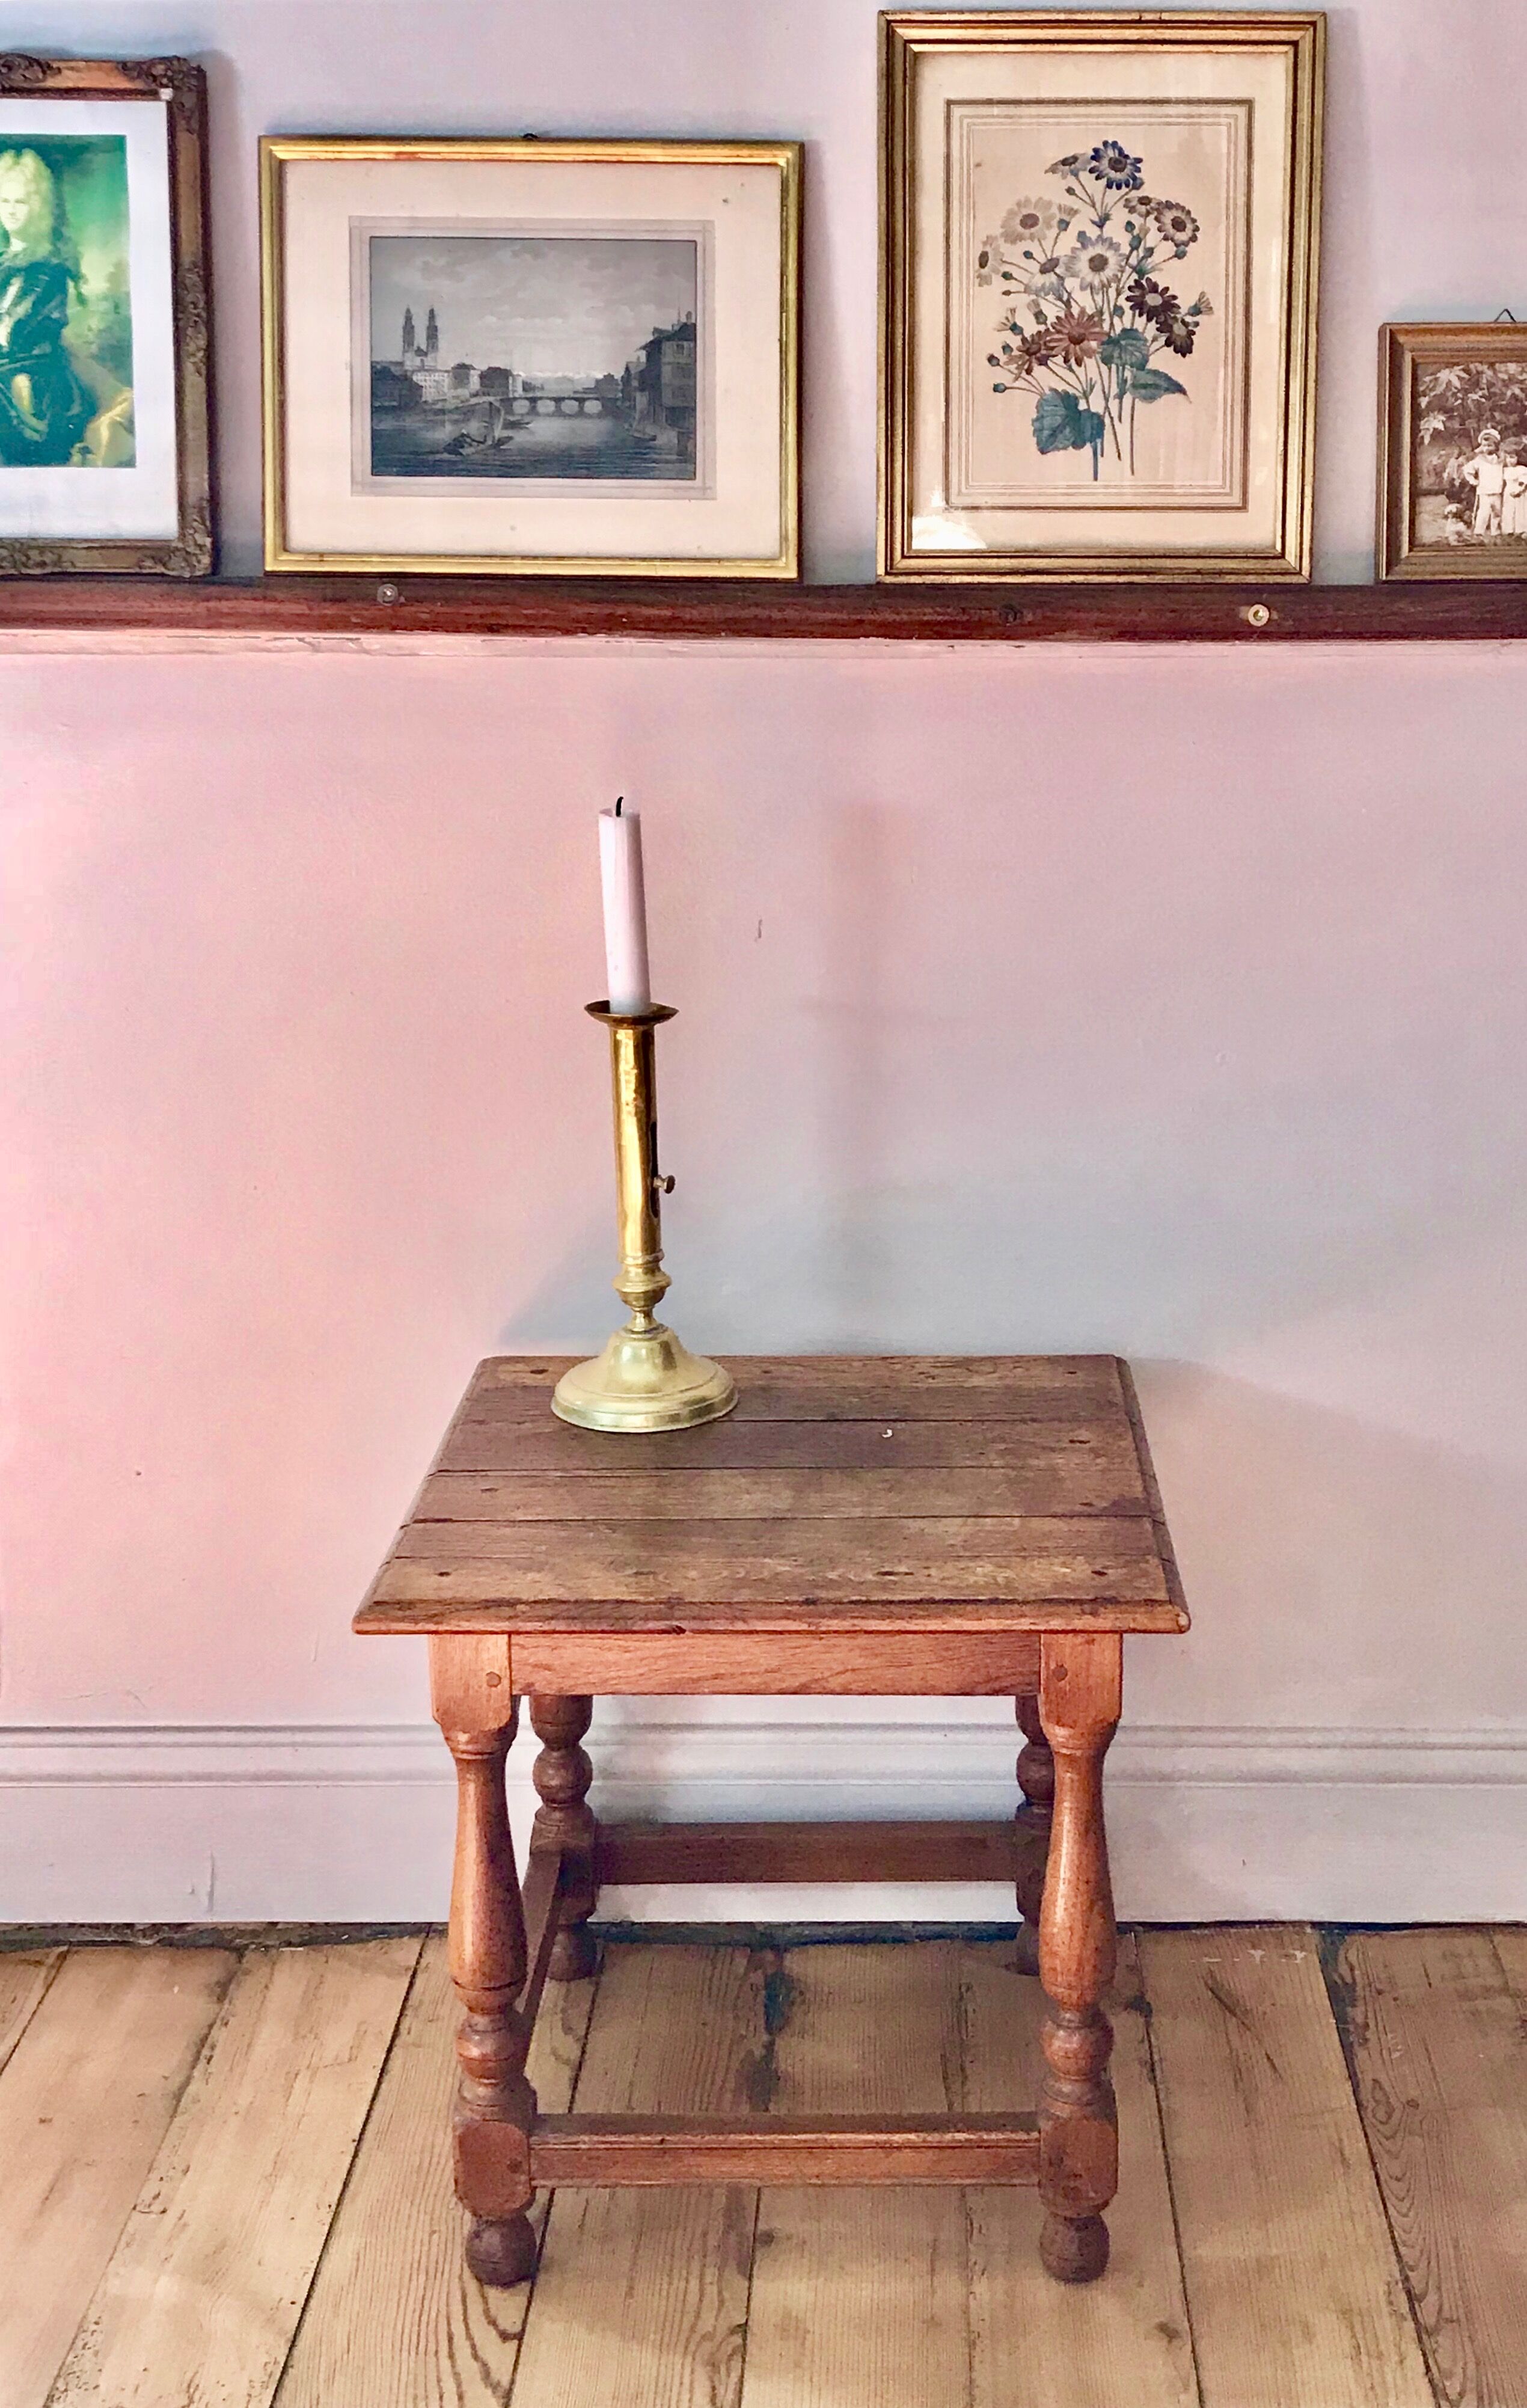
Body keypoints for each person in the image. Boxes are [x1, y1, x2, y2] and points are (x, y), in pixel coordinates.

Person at [0, 147, 130, 467]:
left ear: (38, 206)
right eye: (5, 201)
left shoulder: (49, 268)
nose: (12, 211)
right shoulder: (3, 266)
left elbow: (12, 331)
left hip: (37, 378)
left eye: (21, 202)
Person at [1461, 427, 1508, 536]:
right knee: (1483, 512)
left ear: (1496, 446)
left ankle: (1495, 531)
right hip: (1484, 491)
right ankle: (1479, 531)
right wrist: (1474, 481)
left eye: (1490, 445)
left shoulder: (1500, 460)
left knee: (1497, 512)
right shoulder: (1480, 460)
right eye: (1484, 446)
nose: (1487, 448)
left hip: (1497, 490)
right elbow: (1467, 470)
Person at [1502, 441, 1527, 538]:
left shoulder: (1521, 469)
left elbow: (1523, 482)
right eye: (1507, 458)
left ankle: (1521, 530)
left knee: (1520, 511)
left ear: (1518, 458)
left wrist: (1519, 491)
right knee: (1509, 510)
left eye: (1512, 458)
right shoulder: (1506, 470)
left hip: (1519, 493)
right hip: (1508, 492)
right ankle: (1509, 530)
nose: (1510, 461)